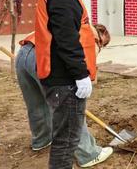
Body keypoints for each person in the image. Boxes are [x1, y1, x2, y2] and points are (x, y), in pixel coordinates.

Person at [34, 0, 102, 169]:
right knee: (67, 139)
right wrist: (81, 75)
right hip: (65, 80)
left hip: (60, 77)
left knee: (66, 135)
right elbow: (66, 40)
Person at [16, 24, 112, 167]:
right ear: (101, 37)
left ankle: (42, 140)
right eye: (102, 45)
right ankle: (88, 154)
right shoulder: (90, 36)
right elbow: (85, 69)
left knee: (36, 103)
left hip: (24, 54)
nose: (100, 48)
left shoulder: (73, 25)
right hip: (44, 58)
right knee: (72, 108)